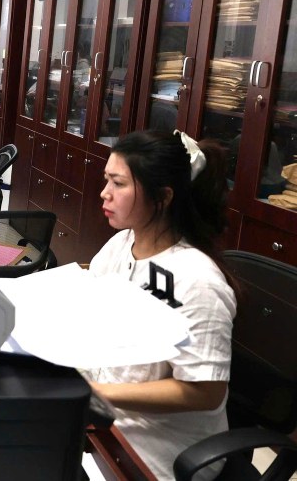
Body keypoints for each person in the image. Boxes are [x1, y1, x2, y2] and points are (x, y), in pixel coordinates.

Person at [86, 130, 237, 481]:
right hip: (104, 420)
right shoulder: (122, 243)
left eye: (118, 183)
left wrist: (98, 393)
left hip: (154, 449)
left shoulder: (196, 281)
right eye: (107, 179)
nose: (104, 193)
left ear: (163, 196)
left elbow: (206, 391)